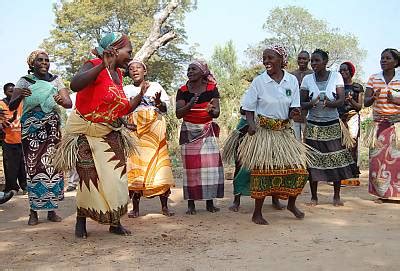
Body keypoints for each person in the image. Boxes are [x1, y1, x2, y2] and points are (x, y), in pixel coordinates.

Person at [55, 32, 135, 238]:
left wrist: (123, 119)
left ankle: (115, 221)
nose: (131, 56)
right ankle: (81, 221)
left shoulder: (118, 74)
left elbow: (112, 104)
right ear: (115, 50)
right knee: (88, 177)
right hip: (85, 131)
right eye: (129, 51)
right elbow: (75, 85)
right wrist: (102, 65)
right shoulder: (92, 64)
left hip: (110, 131)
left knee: (116, 177)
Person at [238, 44, 309, 225]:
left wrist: (294, 112)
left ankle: (292, 203)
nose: (266, 61)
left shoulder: (291, 80)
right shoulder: (259, 82)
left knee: (298, 169)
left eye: (270, 58)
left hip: (284, 132)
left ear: (281, 60)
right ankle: (257, 213)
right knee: (264, 171)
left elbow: (295, 105)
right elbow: (248, 108)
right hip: (265, 133)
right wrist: (252, 125)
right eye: (265, 58)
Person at [9, 50, 72, 225]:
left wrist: (60, 100)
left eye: (46, 60)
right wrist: (20, 94)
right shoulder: (24, 81)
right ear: (32, 64)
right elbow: (13, 105)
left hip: (52, 128)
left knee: (52, 168)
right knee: (33, 169)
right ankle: (33, 212)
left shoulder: (55, 80)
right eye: (40, 60)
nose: (44, 63)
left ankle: (51, 211)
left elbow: (68, 103)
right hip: (31, 130)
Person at [300, 49, 357, 207]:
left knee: (336, 158)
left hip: (332, 124)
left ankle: (336, 196)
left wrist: (329, 104)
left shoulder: (336, 76)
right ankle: (314, 197)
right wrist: (311, 104)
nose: (314, 64)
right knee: (313, 160)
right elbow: (301, 103)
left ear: (325, 62)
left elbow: (340, 100)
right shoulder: (307, 79)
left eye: (317, 61)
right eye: (312, 61)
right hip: (313, 125)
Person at [124, 59, 175, 217]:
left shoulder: (156, 86)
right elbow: (124, 110)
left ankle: (165, 206)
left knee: (159, 165)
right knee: (136, 167)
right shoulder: (126, 89)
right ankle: (136, 208)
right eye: (131, 69)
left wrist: (159, 103)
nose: (135, 70)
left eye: (138, 68)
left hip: (154, 131)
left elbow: (165, 109)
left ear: (145, 71)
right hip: (135, 131)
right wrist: (126, 125)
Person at [176, 60, 224, 215]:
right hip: (189, 130)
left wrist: (212, 111)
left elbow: (217, 112)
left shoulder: (211, 88)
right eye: (188, 69)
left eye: (193, 69)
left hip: (206, 129)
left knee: (209, 168)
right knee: (191, 169)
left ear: (202, 72)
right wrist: (190, 104)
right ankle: (191, 204)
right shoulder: (183, 90)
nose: (189, 71)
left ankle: (210, 202)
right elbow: (178, 114)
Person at [223, 108, 285, 212]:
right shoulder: (252, 92)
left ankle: (275, 199)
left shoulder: (277, 92)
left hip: (270, 131)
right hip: (248, 130)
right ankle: (236, 200)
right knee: (241, 166)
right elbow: (243, 110)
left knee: (273, 166)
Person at [364, 48, 400, 201]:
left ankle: (396, 193)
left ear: (396, 62)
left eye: (387, 58)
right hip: (378, 124)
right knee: (377, 160)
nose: (383, 60)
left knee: (397, 160)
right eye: (382, 58)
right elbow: (365, 102)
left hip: (397, 125)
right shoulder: (373, 78)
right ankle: (382, 193)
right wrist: (373, 97)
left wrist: (395, 101)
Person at [338, 62, 364, 186]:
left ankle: (353, 172)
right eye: (341, 71)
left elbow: (359, 106)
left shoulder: (357, 87)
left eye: (345, 70)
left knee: (353, 144)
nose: (343, 73)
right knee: (340, 145)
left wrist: (350, 100)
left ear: (351, 72)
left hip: (352, 117)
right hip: (340, 118)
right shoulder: (337, 86)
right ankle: (342, 173)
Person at [0, 83, 27, 194]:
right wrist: (11, 119)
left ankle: (25, 186)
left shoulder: (20, 103)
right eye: (10, 91)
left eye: (14, 91)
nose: (12, 93)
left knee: (22, 165)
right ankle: (12, 188)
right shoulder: (1, 105)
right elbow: (2, 125)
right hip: (8, 139)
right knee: (10, 165)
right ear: (5, 92)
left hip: (21, 138)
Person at [291, 51, 313, 141]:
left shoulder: (312, 74)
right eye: (299, 58)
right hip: (294, 112)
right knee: (296, 141)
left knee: (308, 141)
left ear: (309, 60)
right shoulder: (291, 75)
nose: (301, 60)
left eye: (304, 58)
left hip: (308, 112)